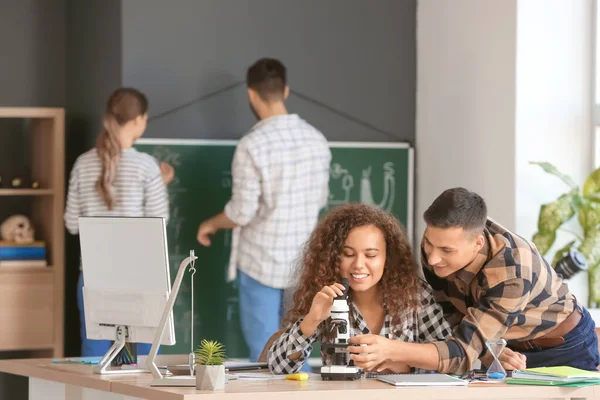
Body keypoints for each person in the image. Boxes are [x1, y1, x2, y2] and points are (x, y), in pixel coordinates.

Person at [349, 187, 600, 374]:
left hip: (564, 347)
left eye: (446, 250)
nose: (433, 259)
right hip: (508, 347)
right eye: (428, 243)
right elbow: (457, 321)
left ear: (477, 242)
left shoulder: (513, 270)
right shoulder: (438, 249)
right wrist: (489, 352)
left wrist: (391, 349)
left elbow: (461, 354)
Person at [196, 58, 332, 362]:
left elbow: (241, 213)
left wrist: (211, 224)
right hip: (303, 262)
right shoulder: (317, 140)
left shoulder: (252, 145)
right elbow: (321, 199)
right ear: (285, 90)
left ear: (251, 95)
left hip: (260, 263)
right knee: (299, 349)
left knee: (265, 354)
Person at [267, 203, 452, 374]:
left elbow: (452, 360)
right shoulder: (327, 296)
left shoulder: (417, 295)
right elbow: (278, 367)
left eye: (371, 255)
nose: (359, 265)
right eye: (348, 254)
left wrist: (401, 362)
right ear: (333, 258)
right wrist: (311, 320)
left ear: (388, 258)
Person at [64, 87, 174, 357]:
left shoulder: (82, 164)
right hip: (140, 277)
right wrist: (162, 184)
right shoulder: (147, 166)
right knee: (148, 362)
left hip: (93, 276)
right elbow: (158, 223)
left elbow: (71, 224)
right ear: (138, 120)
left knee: (95, 361)